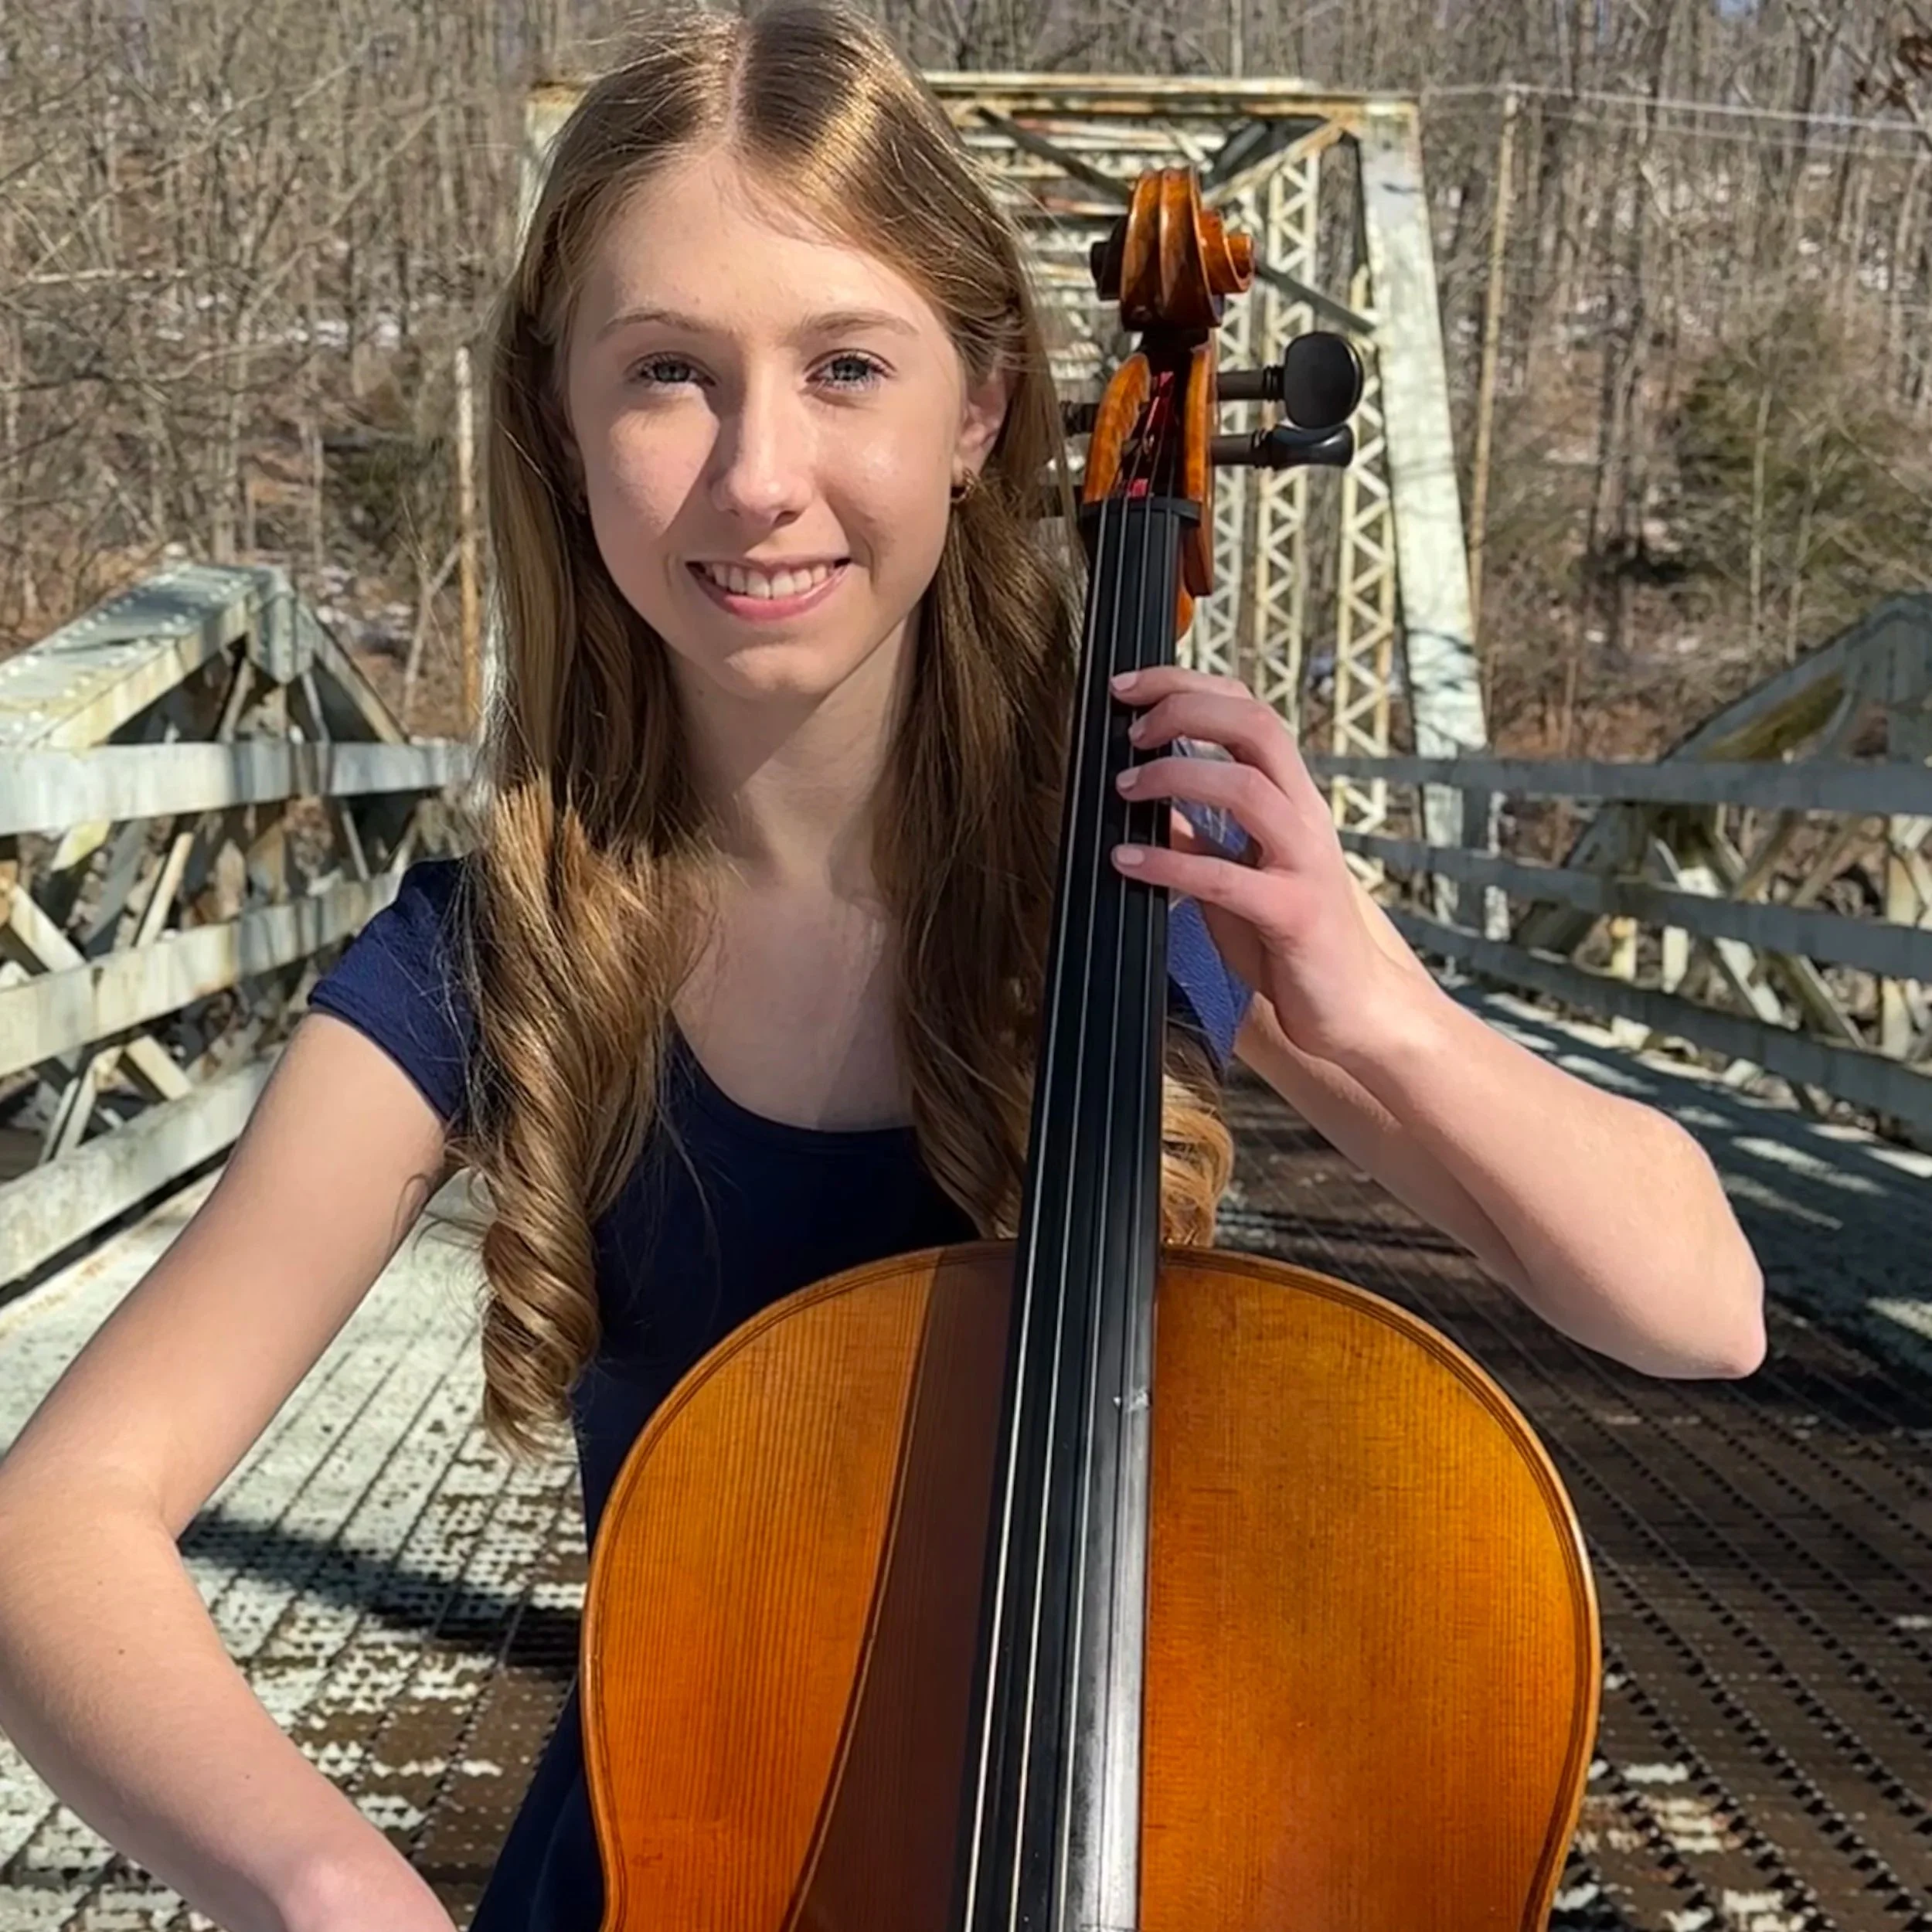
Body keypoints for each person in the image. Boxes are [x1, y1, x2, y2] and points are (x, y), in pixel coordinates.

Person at [0, 5, 1766, 1930]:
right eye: (668, 373)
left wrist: (1377, 1019)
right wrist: (334, 1882)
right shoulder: (489, 953)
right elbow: (48, 1528)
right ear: (560, 424)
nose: (759, 477)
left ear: (983, 409)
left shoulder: (1132, 872)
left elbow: (1694, 1311)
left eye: (846, 365)